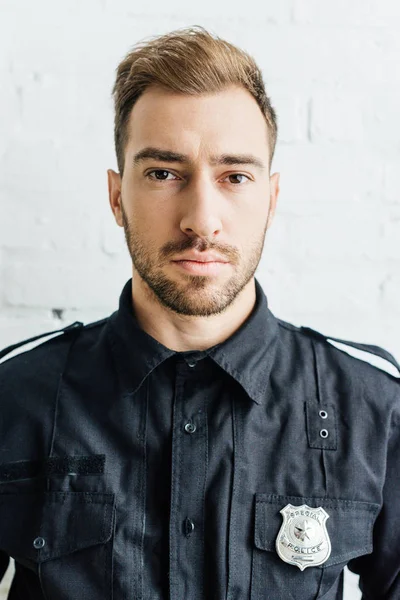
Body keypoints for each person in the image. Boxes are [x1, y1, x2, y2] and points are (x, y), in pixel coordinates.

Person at [0, 25, 399, 600]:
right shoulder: (19, 397)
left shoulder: (371, 408)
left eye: (235, 176)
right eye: (163, 174)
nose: (201, 220)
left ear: (271, 198)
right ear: (117, 197)